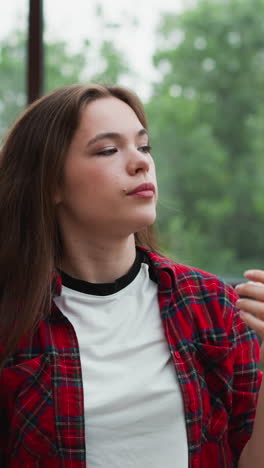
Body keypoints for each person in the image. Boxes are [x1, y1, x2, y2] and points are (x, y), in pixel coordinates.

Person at [0, 83, 262, 468]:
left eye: (144, 146)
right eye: (108, 150)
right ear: (51, 182)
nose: (140, 163)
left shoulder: (211, 304)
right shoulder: (12, 318)